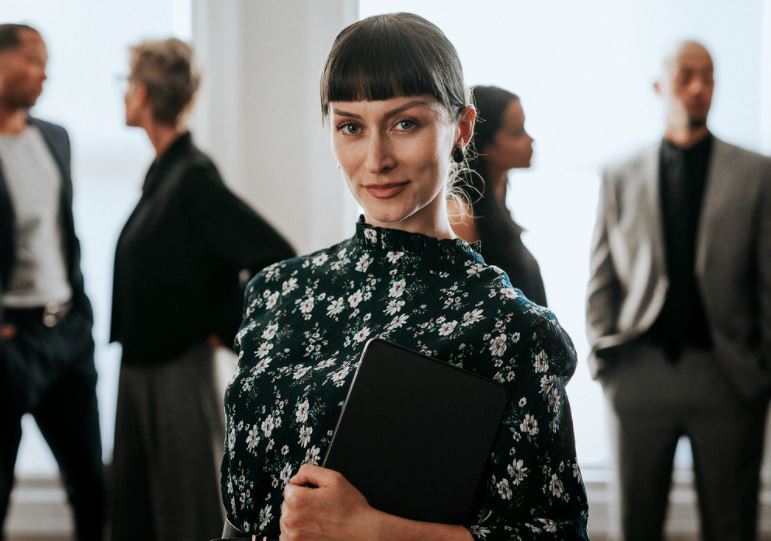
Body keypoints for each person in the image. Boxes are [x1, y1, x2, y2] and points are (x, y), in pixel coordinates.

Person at [219, 13, 589, 540]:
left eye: (404, 124)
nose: (376, 159)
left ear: (461, 128)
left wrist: (371, 530)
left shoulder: (510, 328)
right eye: (351, 127)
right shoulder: (277, 293)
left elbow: (559, 535)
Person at [109, 38, 294, 541]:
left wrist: (226, 325)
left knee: (187, 518)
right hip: (140, 372)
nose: (123, 94)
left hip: (177, 376)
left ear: (144, 94)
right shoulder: (163, 176)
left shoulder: (190, 176)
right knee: (135, 516)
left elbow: (274, 255)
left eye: (126, 84)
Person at [586, 40, 771, 541]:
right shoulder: (619, 174)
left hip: (727, 374)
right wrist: (606, 357)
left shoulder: (757, 174)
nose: (698, 88)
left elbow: (767, 282)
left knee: (732, 526)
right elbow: (601, 276)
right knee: (635, 525)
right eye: (686, 76)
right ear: (659, 86)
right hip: (639, 371)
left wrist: (760, 372)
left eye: (708, 77)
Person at [0, 24, 105, 541]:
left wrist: (82, 316)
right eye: (33, 60)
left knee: (92, 488)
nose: (45, 73)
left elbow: (66, 234)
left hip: (65, 332)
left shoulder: (55, 137)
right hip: (9, 342)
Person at [452, 85, 547, 306]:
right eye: (516, 132)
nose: (530, 140)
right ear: (484, 145)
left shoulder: (499, 197)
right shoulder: (462, 216)